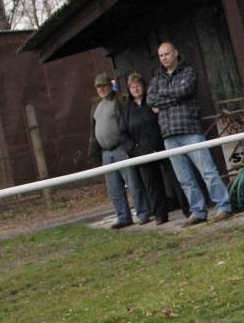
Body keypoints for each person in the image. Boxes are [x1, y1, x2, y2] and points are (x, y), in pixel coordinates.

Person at [146, 41, 232, 226]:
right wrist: (173, 98)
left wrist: (162, 101)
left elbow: (185, 90)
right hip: (169, 135)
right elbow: (150, 98)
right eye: (161, 56)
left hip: (190, 130)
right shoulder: (156, 78)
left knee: (207, 171)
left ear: (175, 53)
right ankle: (197, 211)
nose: (164, 58)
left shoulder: (189, 72)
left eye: (166, 54)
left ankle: (223, 206)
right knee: (184, 179)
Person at [89, 73, 149, 229]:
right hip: (105, 151)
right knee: (114, 188)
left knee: (133, 183)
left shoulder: (121, 100)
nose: (101, 89)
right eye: (98, 87)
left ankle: (143, 213)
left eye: (103, 85)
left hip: (120, 148)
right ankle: (123, 217)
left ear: (110, 84)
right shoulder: (96, 105)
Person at [119, 71, 170, 225]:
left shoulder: (152, 102)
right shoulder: (126, 110)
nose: (135, 89)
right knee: (152, 186)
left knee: (175, 178)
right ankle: (160, 215)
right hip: (142, 153)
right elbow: (123, 133)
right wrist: (134, 149)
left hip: (161, 146)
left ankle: (188, 209)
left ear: (143, 86)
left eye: (138, 86)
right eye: (132, 87)